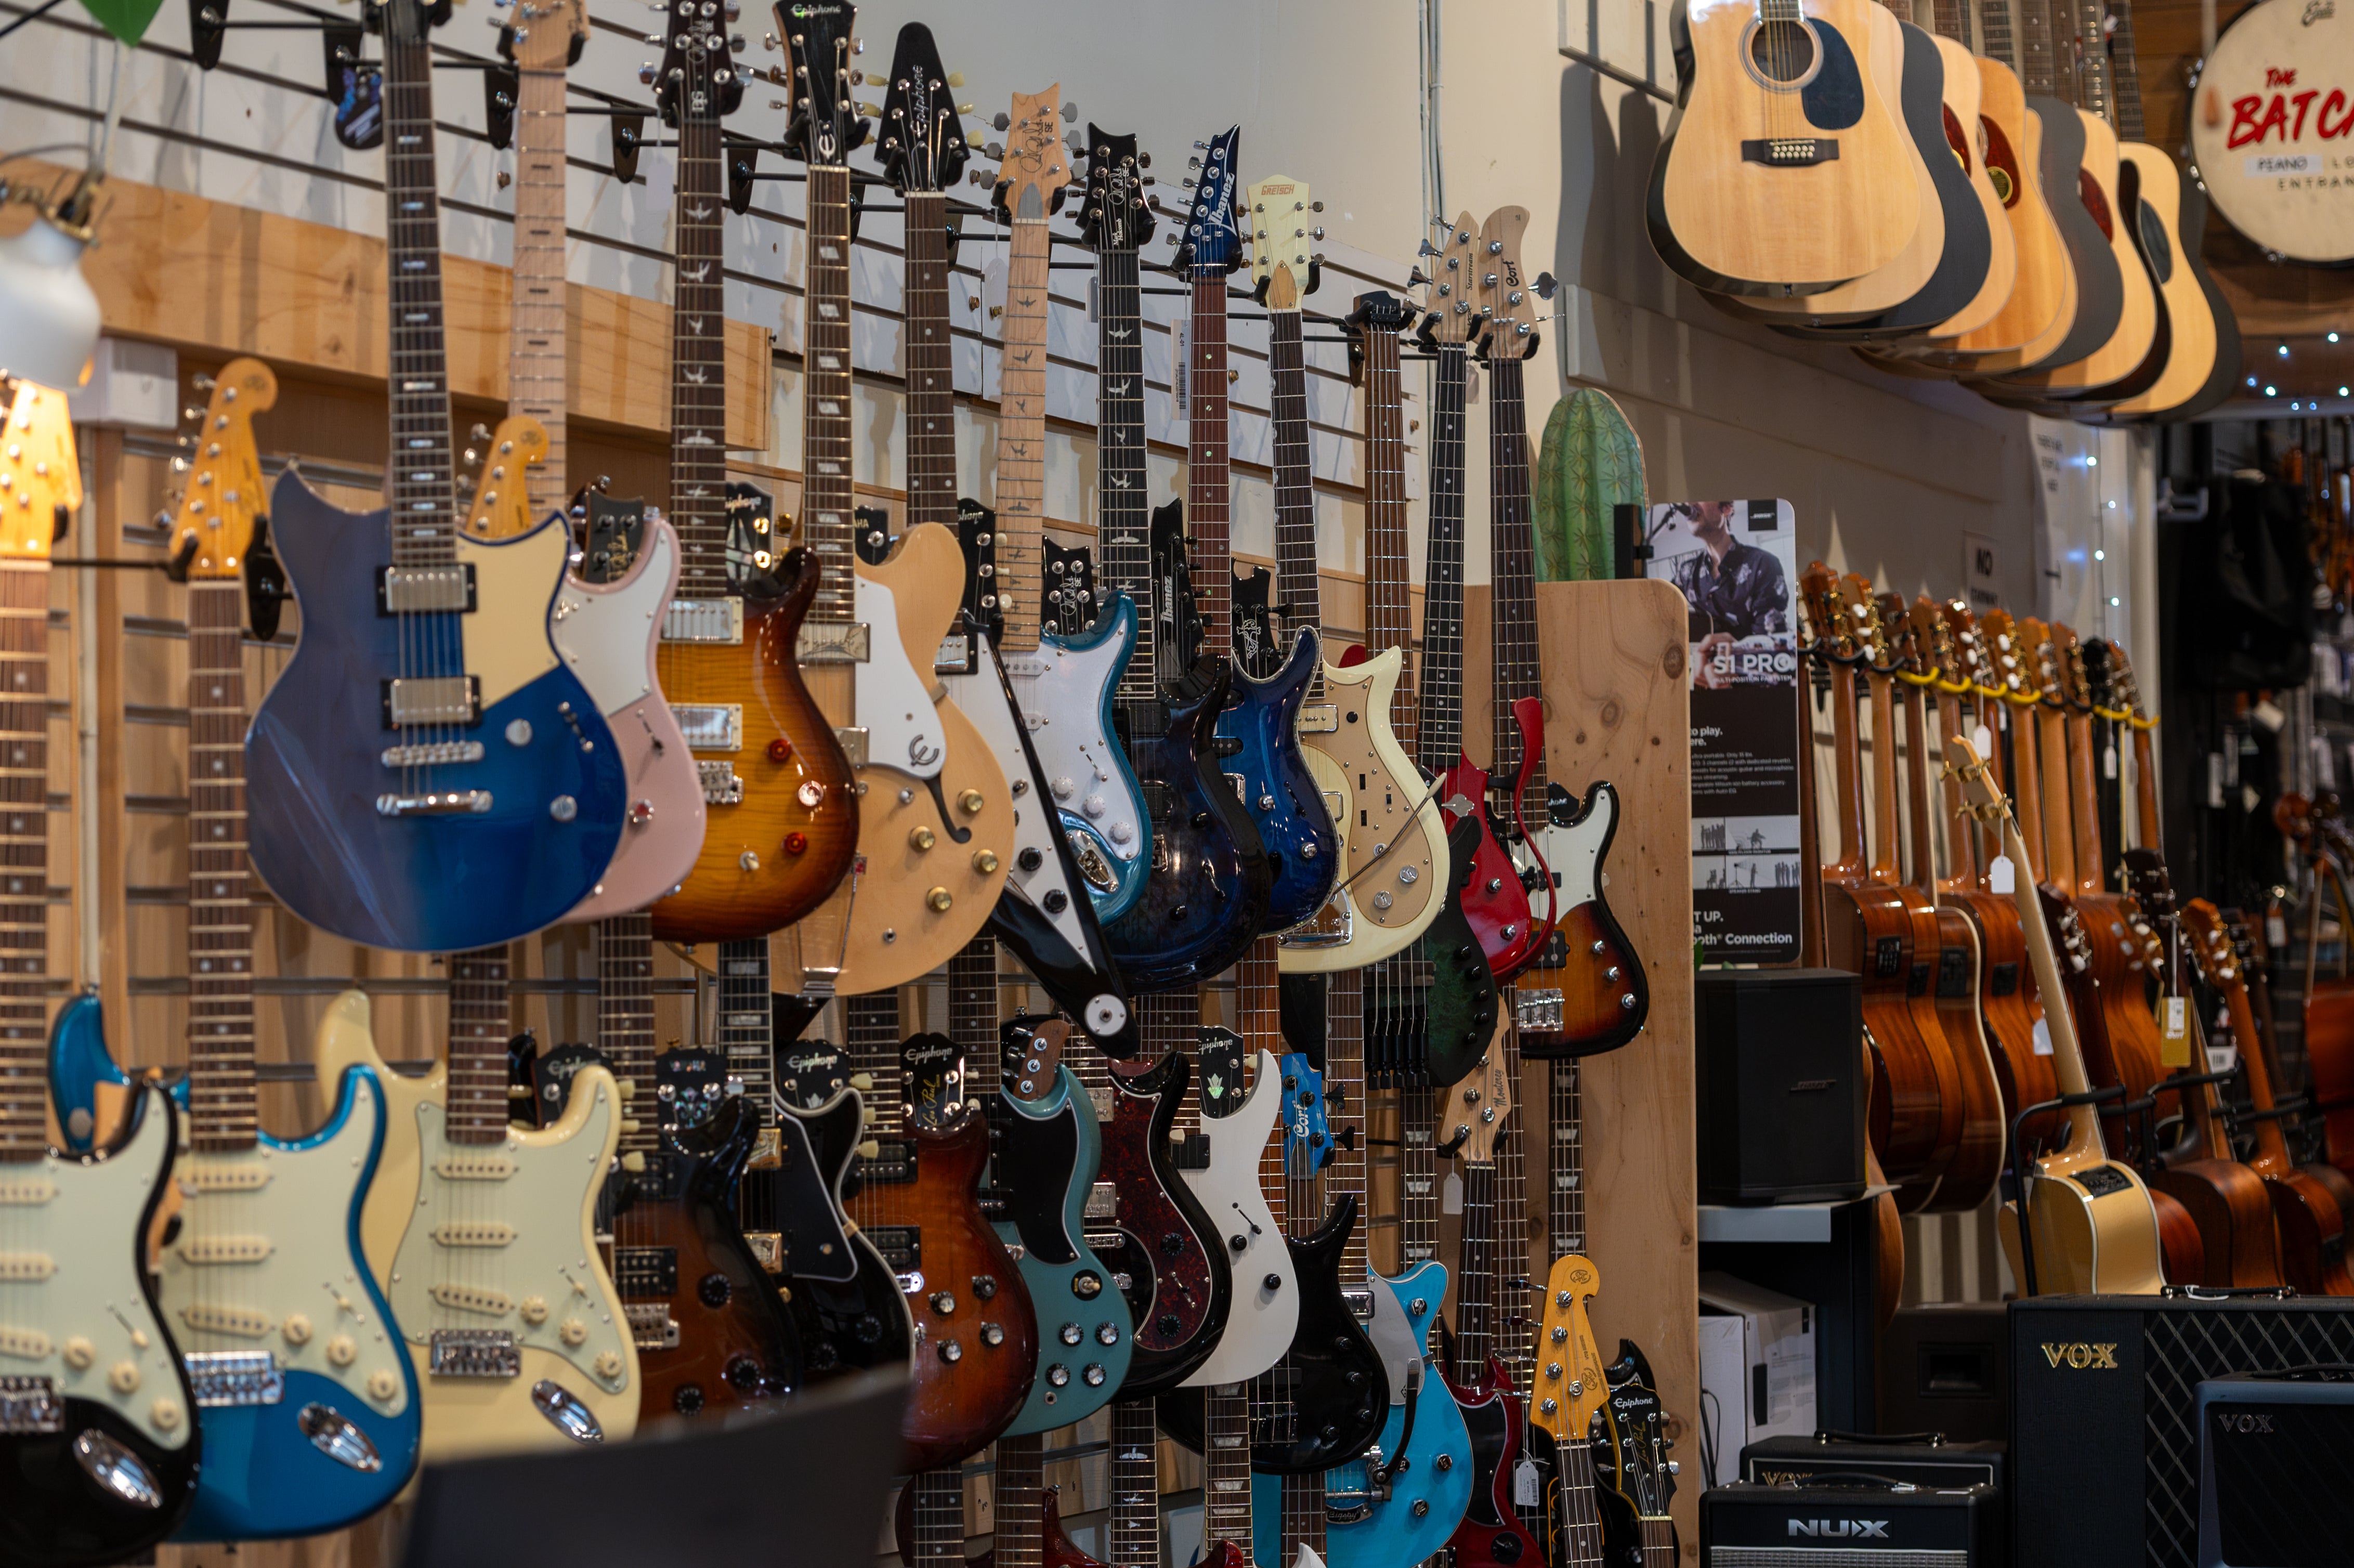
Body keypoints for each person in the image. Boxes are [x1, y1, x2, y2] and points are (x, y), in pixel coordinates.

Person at [1671, 502, 1789, 688]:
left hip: (1749, 697)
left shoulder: (1763, 564)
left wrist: (1736, 666)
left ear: (1726, 508)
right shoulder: (1686, 572)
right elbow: (1659, 618)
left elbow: (1774, 652)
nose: (1689, 504)